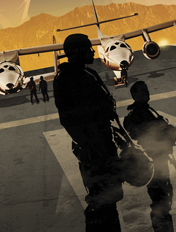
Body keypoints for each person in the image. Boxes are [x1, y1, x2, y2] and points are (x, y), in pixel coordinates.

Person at [53, 33, 124, 232]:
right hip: (94, 152)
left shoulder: (88, 74)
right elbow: (68, 119)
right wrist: (92, 146)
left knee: (110, 198)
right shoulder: (66, 79)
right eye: (88, 49)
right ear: (79, 51)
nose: (92, 52)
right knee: (100, 202)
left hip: (103, 145)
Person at [123, 81, 176, 232]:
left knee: (164, 199)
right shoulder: (136, 115)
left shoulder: (147, 111)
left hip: (159, 160)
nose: (146, 93)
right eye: (142, 91)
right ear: (134, 95)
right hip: (153, 162)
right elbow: (142, 134)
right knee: (160, 202)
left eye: (147, 90)